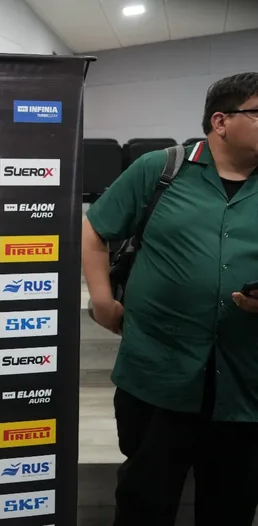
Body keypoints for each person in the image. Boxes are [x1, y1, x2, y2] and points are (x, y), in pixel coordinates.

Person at [83, 72, 258, 525]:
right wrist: (102, 302)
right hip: (157, 373)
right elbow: (94, 229)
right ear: (221, 121)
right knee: (145, 502)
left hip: (245, 382)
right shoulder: (161, 169)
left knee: (231, 507)